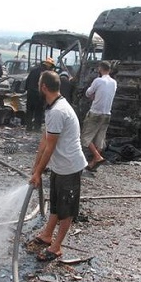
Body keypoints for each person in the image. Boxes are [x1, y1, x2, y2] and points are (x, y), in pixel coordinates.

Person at [29, 70, 88, 261]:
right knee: (55, 203)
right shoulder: (53, 107)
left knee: (66, 209)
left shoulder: (57, 111)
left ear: (44, 87)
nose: (38, 86)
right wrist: (36, 168)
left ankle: (56, 247)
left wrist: (38, 172)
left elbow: (50, 147)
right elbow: (44, 141)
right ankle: (47, 235)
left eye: (39, 83)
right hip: (60, 166)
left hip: (69, 166)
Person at [82, 61, 117, 172]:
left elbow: (88, 93)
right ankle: (93, 164)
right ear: (110, 70)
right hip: (107, 114)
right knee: (100, 140)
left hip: (95, 113)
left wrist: (93, 94)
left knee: (85, 137)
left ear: (100, 69)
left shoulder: (98, 80)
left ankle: (97, 157)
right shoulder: (114, 82)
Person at [25, 57, 55, 131]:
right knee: (38, 111)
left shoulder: (34, 70)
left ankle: (28, 127)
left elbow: (27, 81)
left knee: (30, 110)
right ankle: (37, 127)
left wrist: (27, 89)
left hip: (30, 93)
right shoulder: (46, 73)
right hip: (39, 94)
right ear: (49, 65)